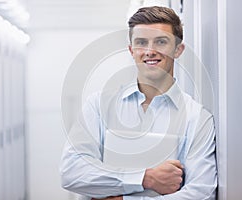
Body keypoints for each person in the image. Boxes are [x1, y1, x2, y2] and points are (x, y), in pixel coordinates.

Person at [60, 6, 217, 200]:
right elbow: (72, 173)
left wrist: (123, 199)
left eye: (161, 42)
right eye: (141, 43)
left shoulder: (197, 118)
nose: (150, 51)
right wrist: (146, 178)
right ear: (131, 50)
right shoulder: (99, 105)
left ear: (178, 49)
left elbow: (202, 193)